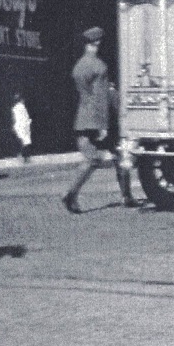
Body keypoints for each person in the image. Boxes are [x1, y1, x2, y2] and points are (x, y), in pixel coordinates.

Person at [62, 26, 137, 213]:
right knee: (118, 155)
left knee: (92, 159)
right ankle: (125, 196)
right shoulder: (99, 67)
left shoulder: (79, 66)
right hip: (101, 121)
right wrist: (103, 125)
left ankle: (72, 194)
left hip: (83, 119)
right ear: (97, 43)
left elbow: (85, 95)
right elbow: (100, 98)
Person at [11, 92, 33, 162]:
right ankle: (25, 157)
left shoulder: (14, 108)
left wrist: (14, 126)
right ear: (21, 100)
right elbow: (25, 117)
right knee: (25, 142)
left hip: (19, 126)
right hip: (23, 126)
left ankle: (24, 156)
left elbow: (13, 118)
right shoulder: (22, 107)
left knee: (22, 141)